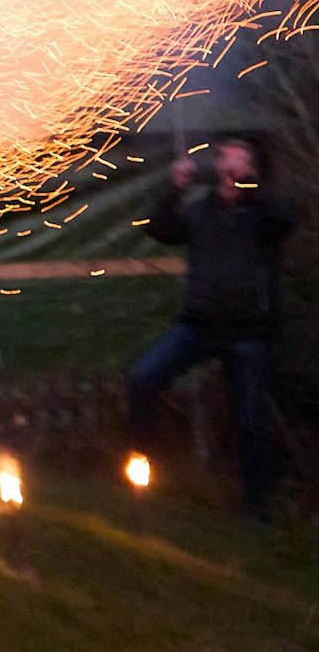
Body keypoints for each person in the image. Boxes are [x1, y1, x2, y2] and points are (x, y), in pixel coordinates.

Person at [129, 138, 295, 524]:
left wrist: (251, 186)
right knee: (143, 380)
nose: (229, 168)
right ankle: (145, 473)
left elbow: (287, 219)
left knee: (250, 420)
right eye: (226, 160)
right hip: (198, 326)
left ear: (251, 169)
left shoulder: (262, 214)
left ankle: (258, 509)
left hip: (248, 333)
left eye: (239, 162)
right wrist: (175, 186)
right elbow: (159, 229)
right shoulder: (200, 211)